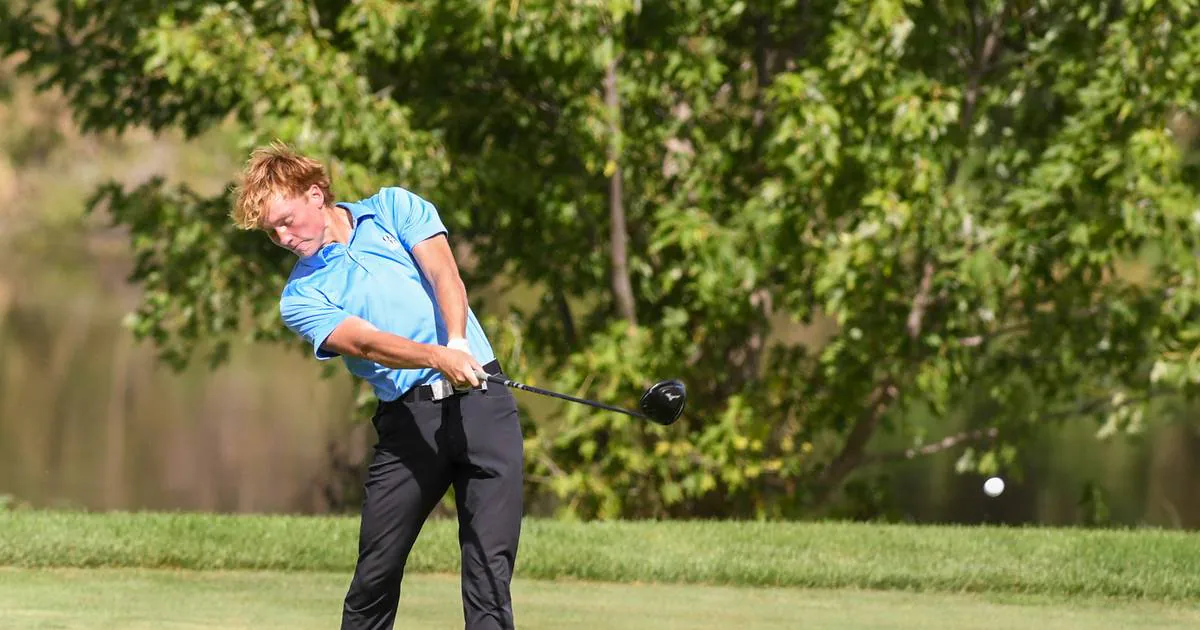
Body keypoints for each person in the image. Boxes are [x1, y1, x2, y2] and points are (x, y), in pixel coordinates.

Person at [231, 141, 525, 630]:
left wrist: (456, 343)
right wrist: (437, 356)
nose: (282, 237)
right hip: (411, 424)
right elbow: (366, 343)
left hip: (482, 404)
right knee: (376, 574)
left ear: (315, 194)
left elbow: (444, 274)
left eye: (285, 220)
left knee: (489, 571)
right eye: (271, 232)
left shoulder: (394, 208)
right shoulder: (301, 296)